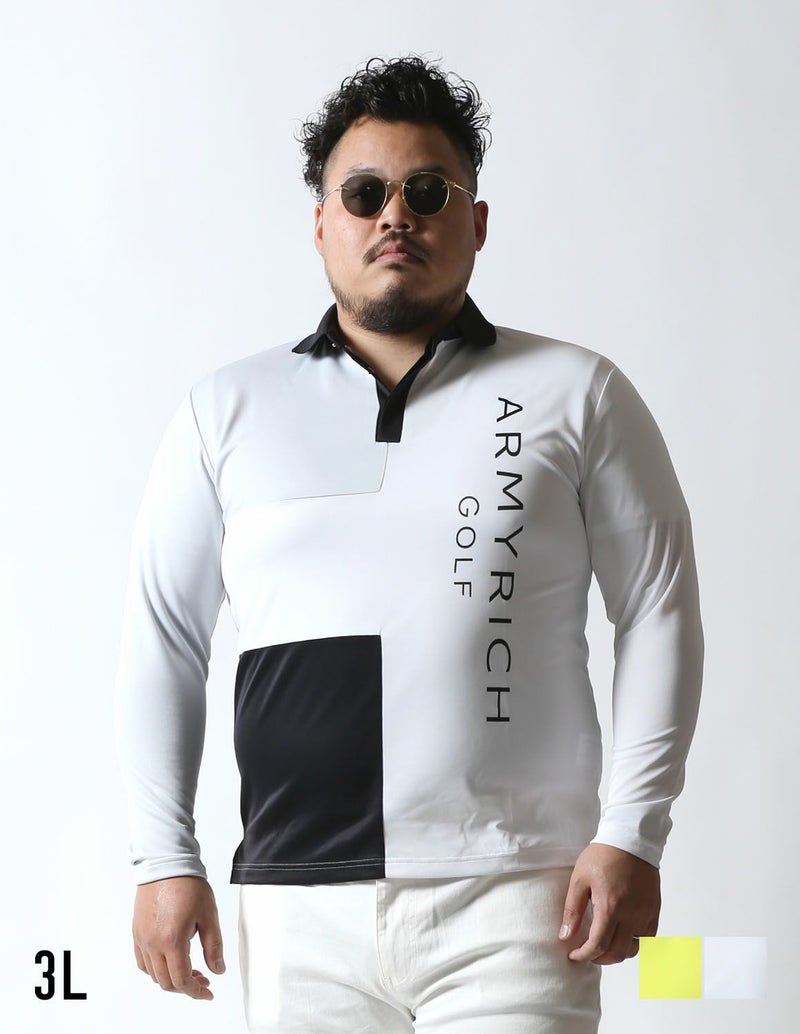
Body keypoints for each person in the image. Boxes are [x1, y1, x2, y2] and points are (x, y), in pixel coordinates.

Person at [113, 55, 704, 1033]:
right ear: (321, 224)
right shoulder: (226, 410)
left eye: (427, 192)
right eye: (364, 193)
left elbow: (657, 609)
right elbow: (165, 640)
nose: (395, 214)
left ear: (476, 221)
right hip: (295, 905)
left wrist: (633, 832)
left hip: (519, 894)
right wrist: (163, 855)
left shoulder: (576, 391)